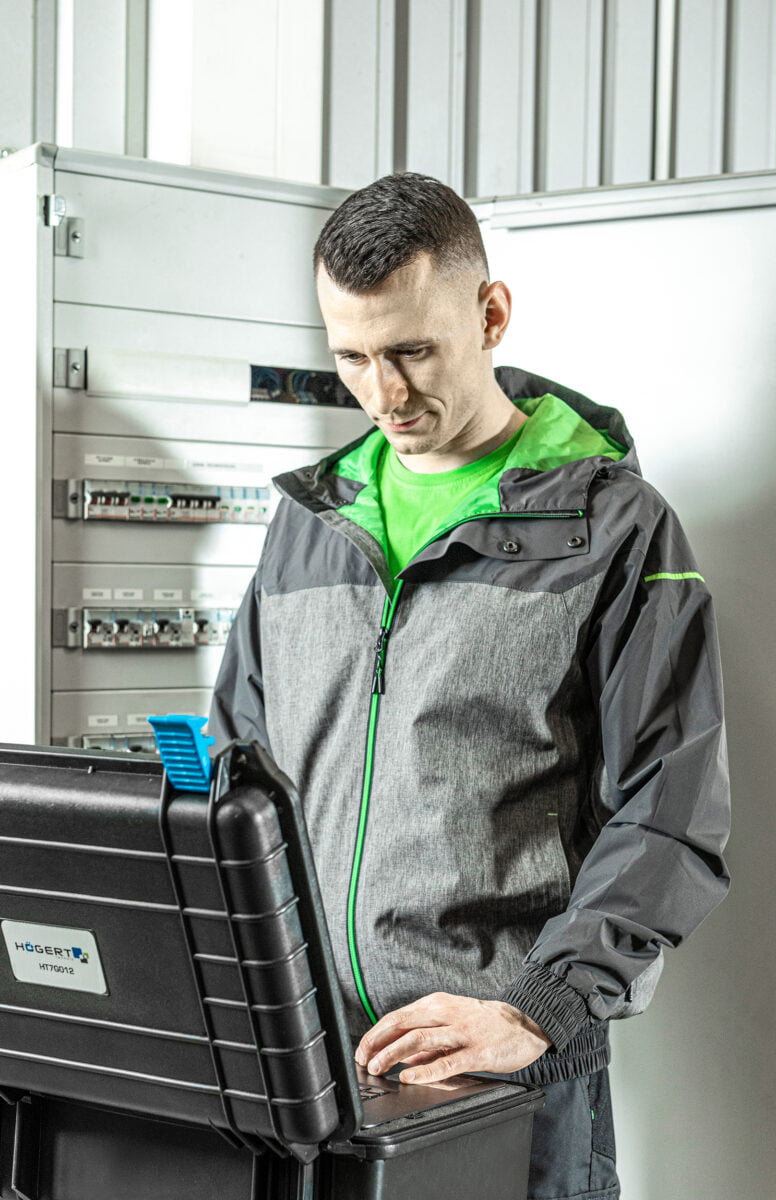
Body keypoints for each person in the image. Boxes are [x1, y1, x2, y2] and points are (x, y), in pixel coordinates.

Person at [208, 172, 730, 1199]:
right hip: (309, 1066)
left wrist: (541, 1009)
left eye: (412, 351)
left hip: (499, 1074)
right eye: (352, 358)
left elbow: (670, 814)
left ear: (490, 315)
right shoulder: (309, 523)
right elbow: (241, 772)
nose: (384, 395)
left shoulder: (614, 529)